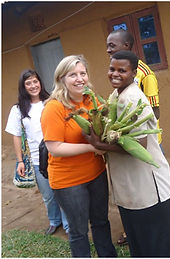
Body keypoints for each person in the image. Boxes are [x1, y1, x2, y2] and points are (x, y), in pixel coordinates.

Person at [85, 50, 170, 257]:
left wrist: (100, 145)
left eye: (122, 70)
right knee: (139, 239)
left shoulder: (132, 98)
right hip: (131, 184)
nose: (115, 74)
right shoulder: (116, 94)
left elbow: (140, 144)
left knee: (156, 243)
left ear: (134, 72)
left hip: (147, 185)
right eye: (112, 69)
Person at [40, 55, 117, 258]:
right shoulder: (54, 107)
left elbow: (106, 124)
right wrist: (92, 148)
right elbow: (55, 148)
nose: (79, 79)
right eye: (72, 75)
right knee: (78, 231)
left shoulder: (91, 99)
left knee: (101, 222)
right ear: (61, 79)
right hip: (69, 181)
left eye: (83, 73)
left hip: (96, 173)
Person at [107, 29, 163, 245]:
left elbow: (155, 111)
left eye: (113, 45)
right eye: (108, 45)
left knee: (149, 187)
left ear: (127, 46)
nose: (108, 49)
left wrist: (133, 123)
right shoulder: (117, 81)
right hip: (128, 140)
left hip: (146, 140)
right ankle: (132, 233)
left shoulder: (145, 75)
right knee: (132, 188)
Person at [5, 69, 69, 236]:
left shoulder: (52, 102)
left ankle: (69, 225)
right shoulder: (18, 110)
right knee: (48, 195)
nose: (33, 86)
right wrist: (20, 161)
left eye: (35, 81)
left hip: (58, 154)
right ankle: (55, 221)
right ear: (23, 87)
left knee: (62, 192)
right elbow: (16, 137)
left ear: (40, 82)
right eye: (28, 83)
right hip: (36, 159)